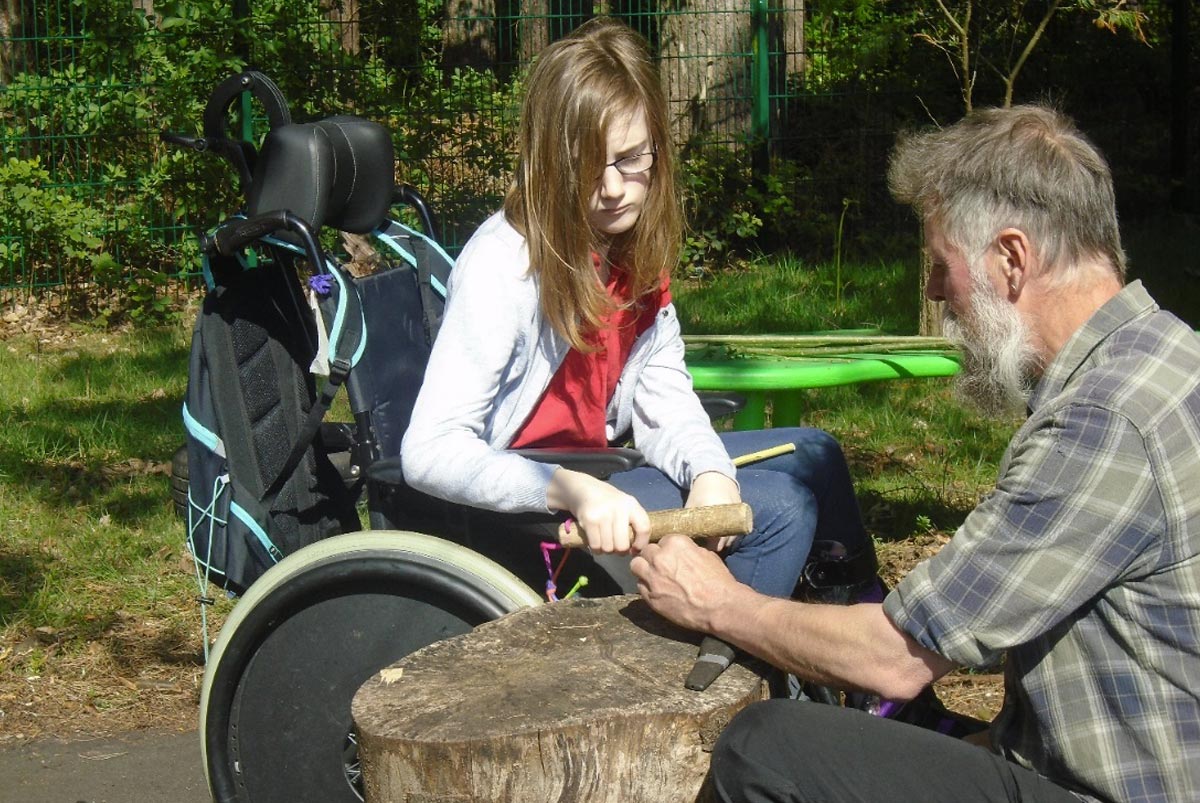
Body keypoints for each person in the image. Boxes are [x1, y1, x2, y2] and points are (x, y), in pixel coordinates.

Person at [632, 103, 1200, 802]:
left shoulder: (1102, 421)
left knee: (765, 748)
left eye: (941, 265)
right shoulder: (1171, 358)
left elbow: (895, 657)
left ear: (1012, 258)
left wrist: (719, 603)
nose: (933, 291)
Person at [401, 18, 875, 689]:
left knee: (818, 454)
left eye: (633, 160)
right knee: (784, 509)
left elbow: (662, 389)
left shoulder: (627, 245)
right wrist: (566, 487)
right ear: (548, 159)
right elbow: (428, 450)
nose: (616, 187)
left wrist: (711, 469)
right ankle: (731, 690)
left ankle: (860, 664)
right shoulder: (502, 266)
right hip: (545, 498)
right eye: (589, 166)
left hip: (604, 463)